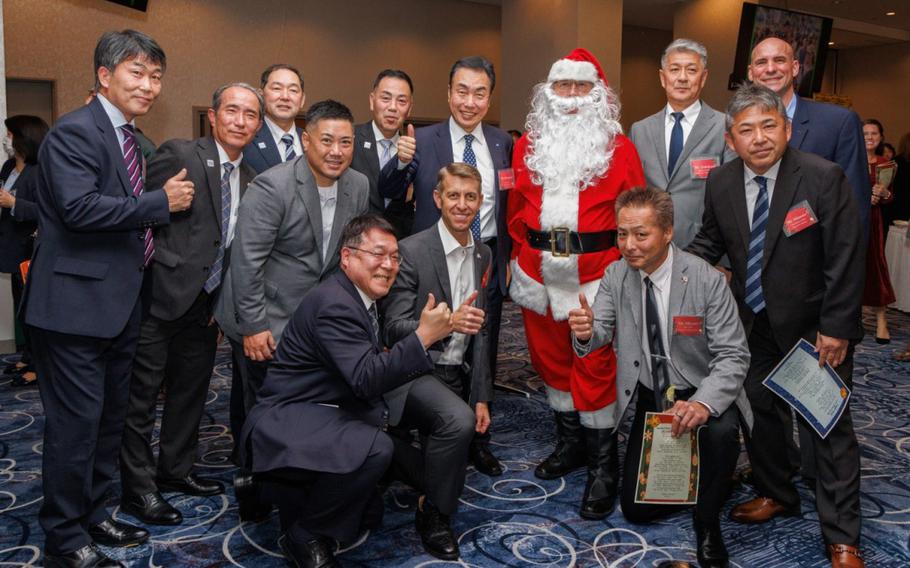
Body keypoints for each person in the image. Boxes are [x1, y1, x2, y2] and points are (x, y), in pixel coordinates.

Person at [22, 30, 195, 567]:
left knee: (107, 423)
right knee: (75, 429)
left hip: (119, 308)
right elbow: (79, 210)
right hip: (74, 311)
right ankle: (65, 538)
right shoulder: (76, 132)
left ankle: (98, 513)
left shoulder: (126, 136)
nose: (149, 86)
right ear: (104, 75)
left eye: (156, 76)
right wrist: (157, 203)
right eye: (137, 73)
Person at [687, 83, 866, 568]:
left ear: (786, 128)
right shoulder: (721, 182)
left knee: (827, 431)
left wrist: (837, 327)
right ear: (731, 139)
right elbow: (710, 242)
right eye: (747, 130)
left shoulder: (822, 177)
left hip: (814, 329)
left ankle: (843, 535)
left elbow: (847, 258)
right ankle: (777, 493)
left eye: (769, 125)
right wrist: (670, 269)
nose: (759, 137)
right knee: (759, 416)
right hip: (753, 324)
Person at [238, 214, 453, 568]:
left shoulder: (354, 294)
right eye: (378, 254)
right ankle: (303, 534)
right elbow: (366, 379)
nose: (388, 265)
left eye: (394, 257)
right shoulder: (335, 303)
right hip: (288, 416)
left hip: (325, 406)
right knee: (376, 450)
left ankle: (263, 487)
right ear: (347, 257)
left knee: (371, 512)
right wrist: (423, 337)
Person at [570, 187, 751, 568]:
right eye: (622, 234)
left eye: (641, 234)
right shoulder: (617, 274)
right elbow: (600, 328)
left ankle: (707, 520)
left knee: (719, 433)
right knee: (636, 510)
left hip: (704, 392)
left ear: (667, 231)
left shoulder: (705, 279)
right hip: (655, 399)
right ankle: (707, 479)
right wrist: (586, 331)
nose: (629, 245)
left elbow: (734, 355)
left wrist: (703, 403)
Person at [507, 48, 645, 519]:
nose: (570, 96)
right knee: (550, 362)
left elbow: (634, 214)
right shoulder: (527, 143)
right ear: (548, 91)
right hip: (537, 274)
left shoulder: (619, 148)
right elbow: (515, 210)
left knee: (594, 365)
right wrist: (516, 257)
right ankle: (571, 446)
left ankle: (603, 465)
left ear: (597, 94)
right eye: (562, 86)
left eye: (580, 87)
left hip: (595, 275)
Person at [216, 99, 369, 520]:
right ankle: (252, 482)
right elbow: (247, 263)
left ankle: (297, 478)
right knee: (264, 409)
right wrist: (253, 326)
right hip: (265, 314)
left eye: (345, 142)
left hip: (315, 321)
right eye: (326, 141)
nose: (336, 150)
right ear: (306, 141)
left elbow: (344, 257)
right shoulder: (272, 186)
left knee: (308, 406)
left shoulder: (358, 186)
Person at [118, 83, 262, 526]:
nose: (240, 121)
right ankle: (138, 491)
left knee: (189, 395)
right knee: (140, 401)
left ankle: (176, 471)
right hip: (159, 298)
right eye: (232, 111)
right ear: (214, 116)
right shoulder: (179, 153)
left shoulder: (251, 176)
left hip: (206, 305)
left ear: (258, 125)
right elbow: (136, 210)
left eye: (250, 115)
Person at [381, 163, 500, 560]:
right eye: (453, 196)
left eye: (470, 197)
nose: (462, 205)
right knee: (458, 424)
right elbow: (393, 329)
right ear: (437, 199)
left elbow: (481, 333)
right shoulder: (412, 250)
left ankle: (398, 461)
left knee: (460, 435)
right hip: (413, 372)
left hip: (455, 374)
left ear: (481, 201)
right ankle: (434, 513)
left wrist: (482, 396)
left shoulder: (483, 254)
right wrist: (445, 323)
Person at [378, 55, 512, 380]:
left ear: (489, 98)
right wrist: (399, 161)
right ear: (448, 92)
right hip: (435, 264)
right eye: (461, 91)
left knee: (483, 345)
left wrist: (507, 258)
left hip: (485, 261)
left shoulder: (502, 143)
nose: (469, 102)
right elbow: (389, 190)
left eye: (479, 93)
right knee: (431, 351)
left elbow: (505, 204)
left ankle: (480, 406)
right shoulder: (422, 140)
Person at [748, 36, 870, 238]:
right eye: (761, 62)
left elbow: (854, 204)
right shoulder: (738, 127)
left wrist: (845, 268)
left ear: (795, 67)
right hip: (750, 256)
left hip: (815, 262)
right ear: (751, 73)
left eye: (779, 60)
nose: (770, 69)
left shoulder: (838, 122)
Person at [629, 38, 734, 248]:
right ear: (663, 77)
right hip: (648, 247)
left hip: (704, 249)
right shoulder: (640, 130)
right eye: (675, 69)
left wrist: (725, 259)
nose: (682, 78)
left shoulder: (724, 126)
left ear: (703, 78)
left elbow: (732, 198)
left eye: (692, 70)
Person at [0, 115, 47, 387]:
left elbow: (47, 211)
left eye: (9, 134)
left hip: (31, 249)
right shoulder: (8, 167)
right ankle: (28, 357)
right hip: (11, 248)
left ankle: (40, 367)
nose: (7, 139)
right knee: (22, 308)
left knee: (34, 311)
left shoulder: (40, 171)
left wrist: (14, 202)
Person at [350, 69, 416, 236]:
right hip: (356, 240)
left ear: (409, 108)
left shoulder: (416, 150)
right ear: (372, 101)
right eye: (386, 98)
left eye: (401, 101)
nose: (392, 107)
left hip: (399, 243)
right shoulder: (350, 139)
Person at [861, 119, 896, 344]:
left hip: (874, 222)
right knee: (851, 267)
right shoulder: (849, 159)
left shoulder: (886, 164)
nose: (870, 137)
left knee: (876, 267)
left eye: (874, 133)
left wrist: (883, 194)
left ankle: (882, 321)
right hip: (852, 220)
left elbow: (891, 197)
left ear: (881, 137)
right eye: (865, 133)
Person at [242, 64, 305, 174]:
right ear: (261, 95)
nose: (285, 96)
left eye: (293, 90)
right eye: (277, 88)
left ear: (302, 100)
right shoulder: (245, 139)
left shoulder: (313, 141)